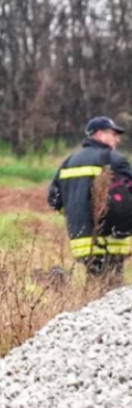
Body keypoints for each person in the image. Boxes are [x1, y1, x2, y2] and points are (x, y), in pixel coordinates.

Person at [48, 116, 132, 289]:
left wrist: (78, 215)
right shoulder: (113, 159)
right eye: (113, 134)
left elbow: (54, 200)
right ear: (100, 134)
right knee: (111, 293)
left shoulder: (69, 162)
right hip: (111, 239)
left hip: (81, 241)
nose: (117, 139)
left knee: (95, 288)